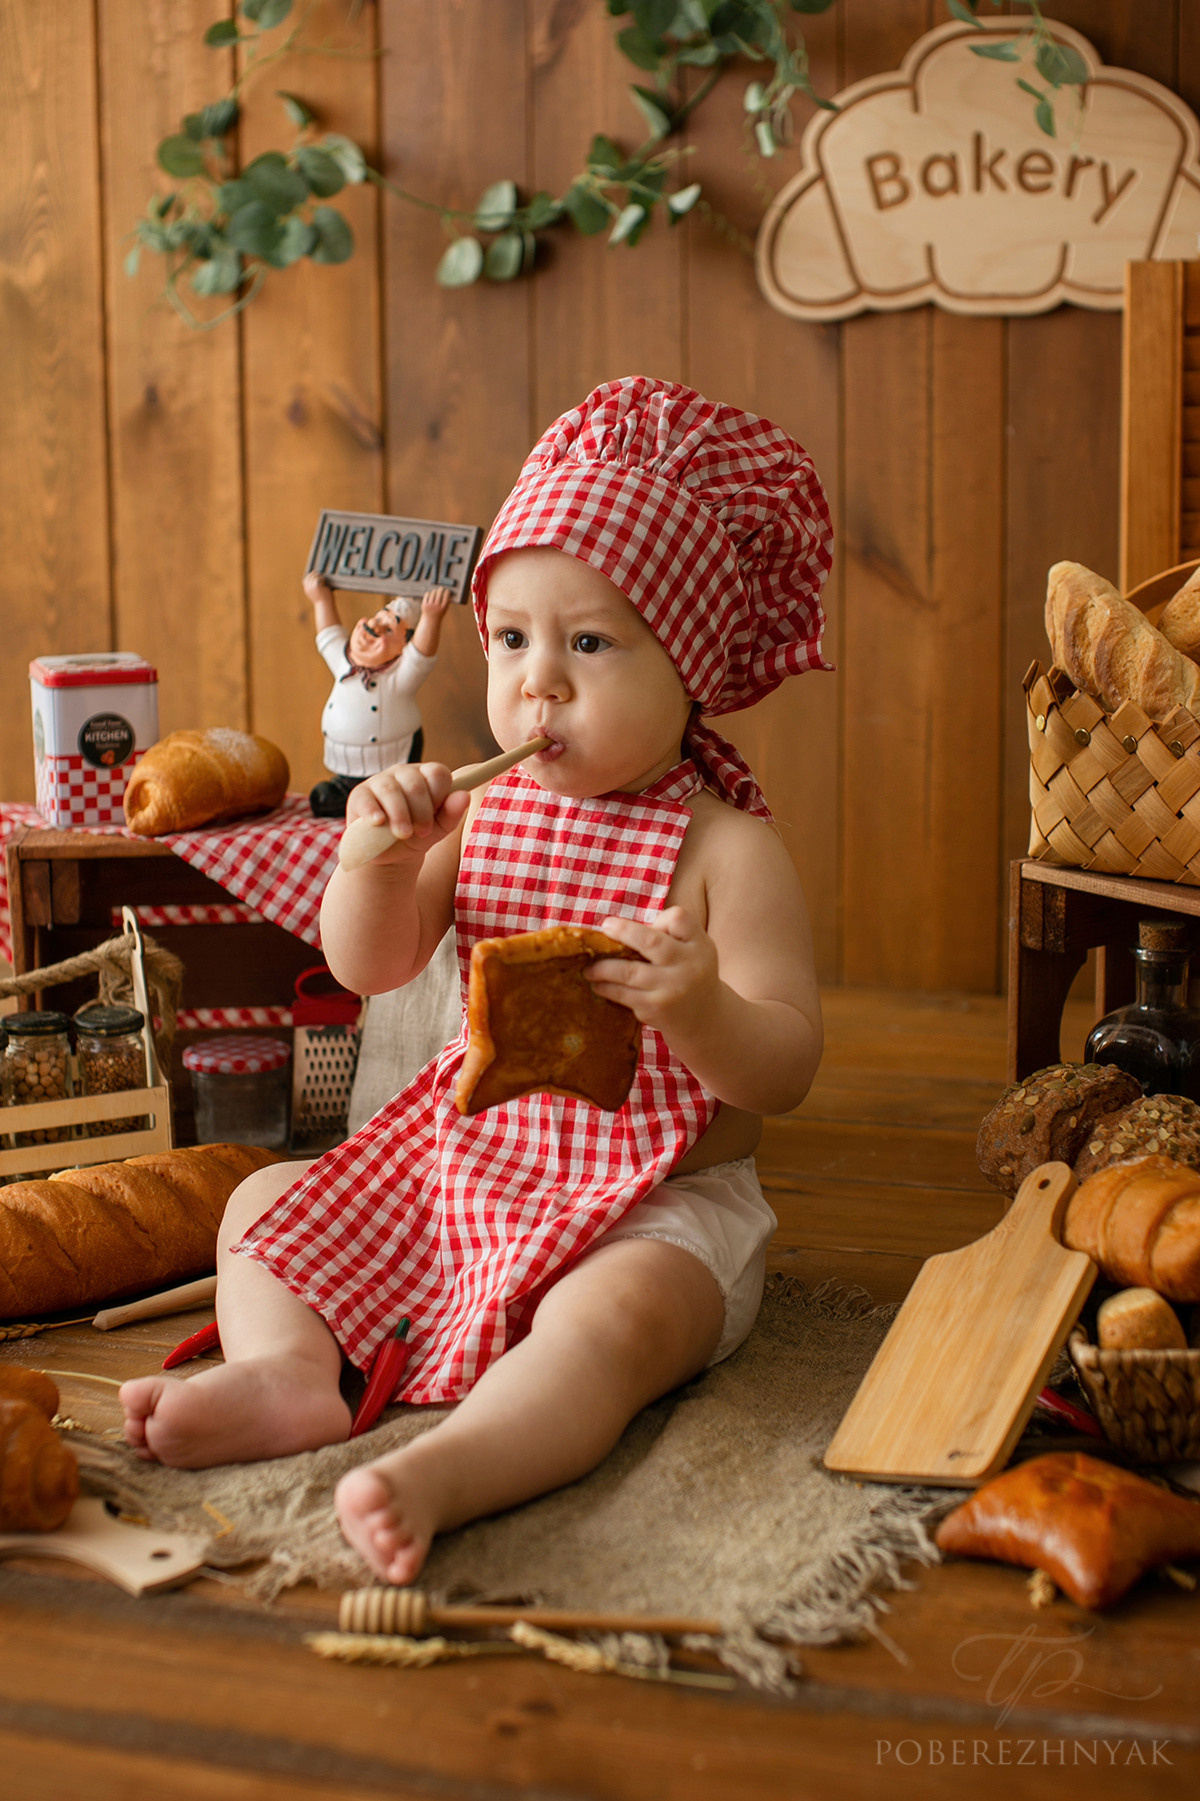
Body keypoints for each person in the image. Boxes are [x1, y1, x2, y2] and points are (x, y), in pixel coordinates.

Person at [119, 377, 833, 1589]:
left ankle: (457, 1464)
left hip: (657, 1204)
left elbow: (791, 1064)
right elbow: (371, 964)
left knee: (613, 1324)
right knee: (260, 1208)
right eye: (512, 639)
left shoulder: (726, 850)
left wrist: (702, 1007)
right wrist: (375, 860)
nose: (537, 683)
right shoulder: (484, 808)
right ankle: (289, 1377)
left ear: (691, 663)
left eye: (590, 643)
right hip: (473, 1163)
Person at [306, 573, 452, 817]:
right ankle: (347, 792)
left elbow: (421, 656)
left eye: (387, 629)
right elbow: (328, 634)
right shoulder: (343, 661)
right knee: (325, 797)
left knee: (393, 794)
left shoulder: (398, 676)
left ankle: (390, 801)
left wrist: (431, 618)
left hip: (391, 758)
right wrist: (321, 600)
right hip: (346, 763)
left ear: (402, 646)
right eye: (376, 619)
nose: (372, 628)